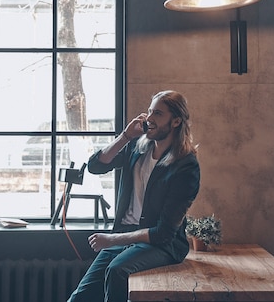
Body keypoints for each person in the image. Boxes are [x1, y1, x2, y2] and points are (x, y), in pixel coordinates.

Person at [67, 90, 201, 302]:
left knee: (117, 270)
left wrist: (111, 239)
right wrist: (126, 136)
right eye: (149, 112)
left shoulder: (185, 166)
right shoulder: (137, 149)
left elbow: (164, 233)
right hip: (124, 235)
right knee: (80, 298)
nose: (149, 118)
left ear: (175, 121)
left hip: (161, 245)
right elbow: (95, 166)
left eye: (157, 113)